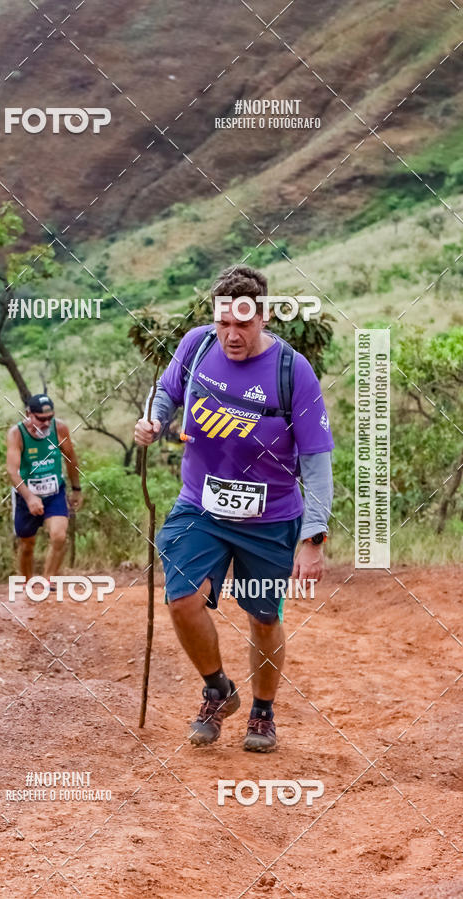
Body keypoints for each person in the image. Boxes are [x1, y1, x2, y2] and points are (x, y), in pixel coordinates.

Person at [134, 265, 334, 752]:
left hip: (270, 518)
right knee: (182, 600)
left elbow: (316, 460)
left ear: (262, 317)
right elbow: (166, 391)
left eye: (242, 324)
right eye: (223, 322)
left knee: (263, 616)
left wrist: (314, 538)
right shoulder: (197, 345)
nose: (231, 335)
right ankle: (217, 689)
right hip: (199, 506)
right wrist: (155, 419)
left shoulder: (293, 371)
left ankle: (262, 714)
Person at [6, 393, 82, 584]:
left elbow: (71, 458)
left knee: (59, 536)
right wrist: (30, 497)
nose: (46, 423)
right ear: (28, 414)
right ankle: (26, 584)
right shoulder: (16, 434)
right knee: (27, 544)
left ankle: (48, 581)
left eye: (49, 418)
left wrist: (76, 489)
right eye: (41, 419)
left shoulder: (59, 428)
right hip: (25, 496)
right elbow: (12, 472)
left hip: (54, 493)